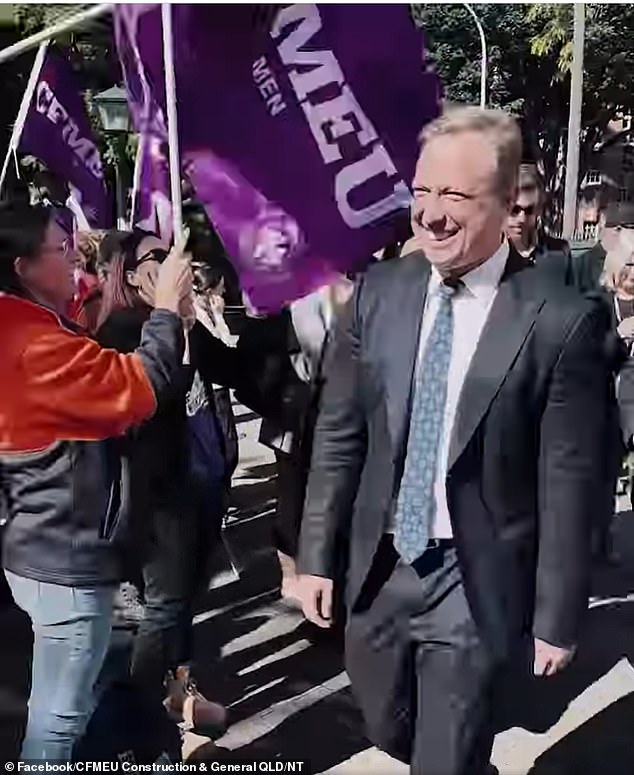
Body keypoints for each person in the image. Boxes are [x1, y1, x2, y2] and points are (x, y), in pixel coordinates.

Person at [296, 108, 615, 775]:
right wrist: (315, 556)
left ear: (505, 206)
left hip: (473, 576)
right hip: (380, 566)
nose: (431, 214)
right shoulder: (379, 293)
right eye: (421, 192)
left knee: (444, 754)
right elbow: (339, 434)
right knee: (387, 724)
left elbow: (570, 479)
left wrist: (557, 613)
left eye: (455, 197)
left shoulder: (558, 318)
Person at [0, 201, 192, 761]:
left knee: (86, 689)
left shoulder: (29, 325)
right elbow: (137, 388)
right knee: (56, 723)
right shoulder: (31, 345)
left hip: (43, 542)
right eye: (62, 250)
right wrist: (164, 313)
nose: (75, 259)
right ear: (23, 267)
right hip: (65, 553)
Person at [96, 230, 240, 736]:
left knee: (183, 598)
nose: (176, 260)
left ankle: (180, 691)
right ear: (131, 276)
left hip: (197, 480)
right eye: (159, 256)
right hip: (154, 495)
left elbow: (234, 372)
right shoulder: (116, 332)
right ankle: (135, 720)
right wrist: (169, 326)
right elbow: (142, 405)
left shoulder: (182, 325)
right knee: (163, 605)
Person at [505, 164, 575, 286]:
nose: (521, 218)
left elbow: (569, 299)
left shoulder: (560, 252)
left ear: (538, 210)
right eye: (514, 210)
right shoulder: (489, 256)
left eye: (529, 210)